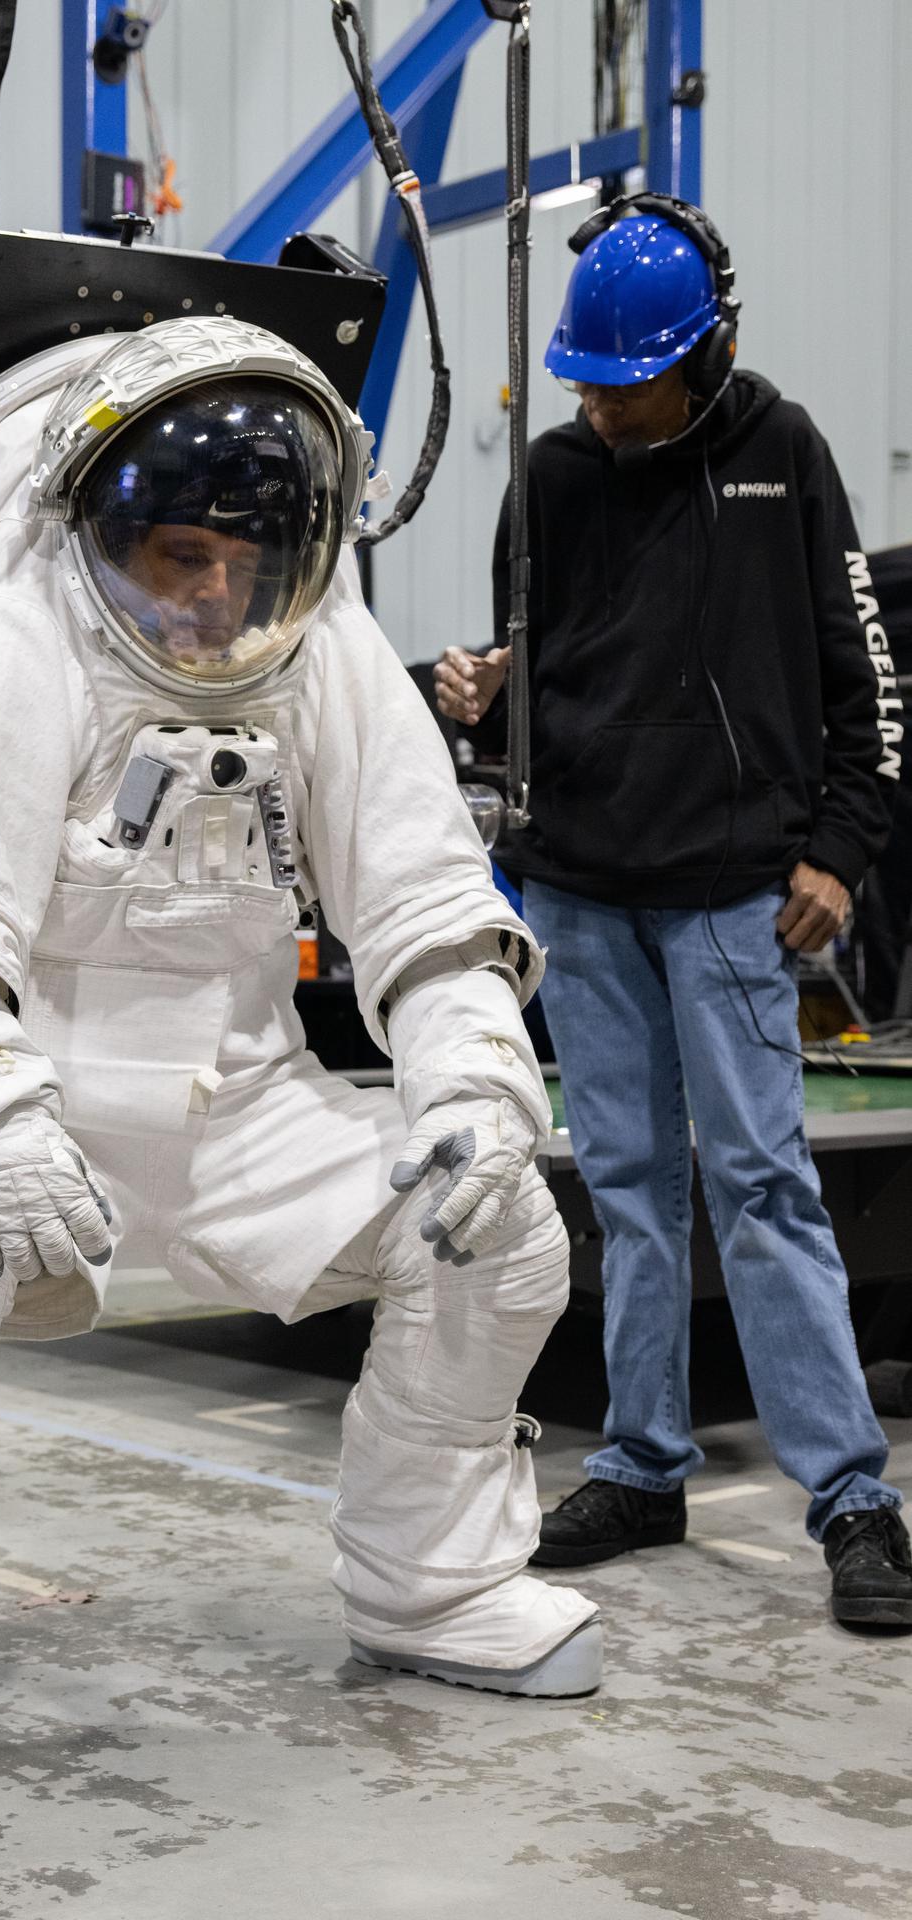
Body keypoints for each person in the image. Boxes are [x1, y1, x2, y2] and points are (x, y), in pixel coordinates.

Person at [0, 317, 601, 1807]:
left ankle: (431, 1584)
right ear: (97, 529)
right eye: (175, 557)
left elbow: (420, 901)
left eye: (242, 562)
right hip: (15, 1100)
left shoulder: (322, 654)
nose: (212, 597)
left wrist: (471, 1081)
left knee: (494, 1229)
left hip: (243, 1101)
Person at [435, 196, 912, 1630]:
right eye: (582, 381)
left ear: (699, 360)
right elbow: (543, 655)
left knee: (763, 1189)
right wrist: (484, 688)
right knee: (628, 1193)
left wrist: (838, 847)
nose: (600, 406)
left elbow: (861, 682)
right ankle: (641, 1461)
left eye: (623, 383)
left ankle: (849, 1499)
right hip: (582, 889)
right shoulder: (550, 475)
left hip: (729, 898)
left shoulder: (782, 454)